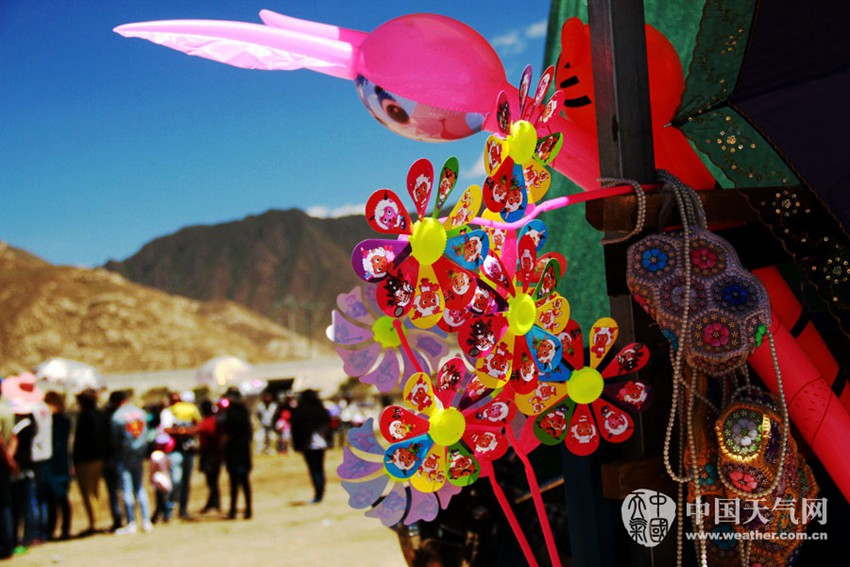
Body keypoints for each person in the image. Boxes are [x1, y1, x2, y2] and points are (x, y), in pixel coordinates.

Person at [110, 390, 153, 535]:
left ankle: (131, 522)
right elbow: (146, 434)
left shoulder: (117, 417)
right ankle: (146, 521)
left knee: (127, 489)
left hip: (124, 456)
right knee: (140, 487)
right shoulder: (140, 413)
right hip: (140, 454)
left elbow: (115, 439)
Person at [72, 388, 109, 536]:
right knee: (95, 490)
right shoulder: (101, 415)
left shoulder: (85, 417)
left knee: (88, 492)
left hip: (85, 459)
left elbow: (81, 441)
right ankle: (96, 520)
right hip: (99, 458)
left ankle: (94, 523)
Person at [160, 391, 201, 520]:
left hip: (189, 450)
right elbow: (166, 429)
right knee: (175, 480)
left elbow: (198, 424)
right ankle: (169, 509)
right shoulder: (168, 413)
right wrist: (181, 431)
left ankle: (183, 509)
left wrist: (189, 430)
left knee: (186, 481)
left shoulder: (190, 410)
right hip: (175, 450)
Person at [290, 389, 330, 504]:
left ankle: (318, 494)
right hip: (321, 444)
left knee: (313, 470)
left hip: (308, 445)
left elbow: (296, 429)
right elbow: (328, 425)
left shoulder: (301, 411)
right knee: (320, 469)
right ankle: (321, 492)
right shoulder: (321, 410)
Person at [42, 391, 71, 541]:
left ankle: (63, 528)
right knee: (53, 498)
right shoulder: (57, 420)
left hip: (57, 462)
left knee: (60, 497)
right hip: (57, 462)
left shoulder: (59, 421)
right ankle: (52, 528)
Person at [220, 388, 252, 519]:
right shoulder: (245, 412)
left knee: (234, 482)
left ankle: (233, 510)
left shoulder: (229, 413)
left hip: (233, 450)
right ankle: (249, 509)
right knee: (245, 482)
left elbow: (227, 433)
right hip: (244, 450)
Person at [103, 390, 126, 532]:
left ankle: (119, 519)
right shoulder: (120, 416)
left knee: (116, 490)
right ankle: (125, 517)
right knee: (122, 489)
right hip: (118, 458)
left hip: (113, 458)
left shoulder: (113, 417)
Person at [0, 379, 18, 560]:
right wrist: (10, 459)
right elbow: (13, 438)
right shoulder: (6, 410)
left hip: (1, 459)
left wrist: (6, 457)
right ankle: (9, 544)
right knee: (5, 504)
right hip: (4, 463)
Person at [197, 399, 222, 514]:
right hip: (215, 454)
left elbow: (196, 430)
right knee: (213, 480)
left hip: (209, 455)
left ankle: (214, 503)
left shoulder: (208, 421)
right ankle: (213, 502)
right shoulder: (214, 420)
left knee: (212, 481)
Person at [149, 433, 173, 524]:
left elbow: (152, 468)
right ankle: (165, 515)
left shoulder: (156, 455)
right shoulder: (166, 456)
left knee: (160, 499)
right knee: (165, 498)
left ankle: (160, 515)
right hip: (166, 479)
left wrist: (150, 478)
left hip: (158, 479)